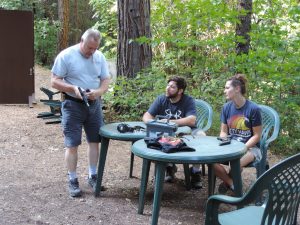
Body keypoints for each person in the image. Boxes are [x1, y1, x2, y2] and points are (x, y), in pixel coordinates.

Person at [51, 28, 110, 197]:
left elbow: (105, 79)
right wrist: (72, 88)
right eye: (89, 48)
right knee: (72, 143)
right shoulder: (66, 56)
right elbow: (54, 81)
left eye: (95, 48)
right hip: (72, 104)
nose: (92, 52)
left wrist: (98, 92)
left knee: (95, 141)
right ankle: (73, 180)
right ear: (81, 41)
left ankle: (93, 176)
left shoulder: (99, 57)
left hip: (94, 105)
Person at [142, 76, 203, 189]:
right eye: (168, 85)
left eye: (172, 87)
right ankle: (168, 167)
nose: (168, 88)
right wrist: (153, 123)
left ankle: (195, 171)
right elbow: (146, 116)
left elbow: (192, 120)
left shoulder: (188, 100)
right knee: (153, 139)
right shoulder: (161, 99)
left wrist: (170, 122)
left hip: (188, 130)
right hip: (166, 131)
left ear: (180, 91)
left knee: (201, 136)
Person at [214, 74, 262, 194]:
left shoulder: (253, 109)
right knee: (210, 161)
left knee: (235, 164)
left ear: (237, 89)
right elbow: (223, 131)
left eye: (227, 88)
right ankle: (232, 184)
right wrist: (224, 142)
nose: (224, 91)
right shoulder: (226, 108)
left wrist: (243, 148)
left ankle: (227, 183)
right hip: (231, 145)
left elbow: (257, 136)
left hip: (251, 148)